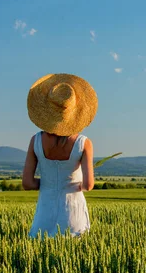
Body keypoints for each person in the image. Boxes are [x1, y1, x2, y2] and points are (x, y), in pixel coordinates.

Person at [21, 73, 98, 238]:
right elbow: (88, 184)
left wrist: (49, 184)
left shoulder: (36, 140)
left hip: (45, 212)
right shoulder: (84, 143)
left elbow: (27, 183)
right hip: (72, 212)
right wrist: (69, 184)